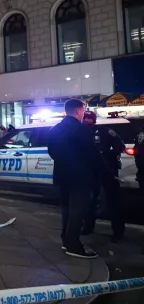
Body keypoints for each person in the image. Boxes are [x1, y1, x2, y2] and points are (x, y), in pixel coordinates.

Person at [47, 99, 102, 259]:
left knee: (66, 210)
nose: (83, 114)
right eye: (83, 111)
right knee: (78, 211)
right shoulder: (81, 129)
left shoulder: (54, 129)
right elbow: (91, 155)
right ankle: (73, 245)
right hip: (80, 177)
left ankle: (66, 240)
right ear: (78, 111)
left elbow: (52, 153)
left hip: (62, 176)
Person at [82, 110, 125, 242]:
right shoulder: (81, 133)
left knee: (113, 202)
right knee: (89, 201)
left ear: (94, 120)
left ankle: (118, 232)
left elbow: (120, 146)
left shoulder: (105, 132)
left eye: (89, 118)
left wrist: (108, 158)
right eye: (85, 118)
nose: (86, 120)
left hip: (107, 171)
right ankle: (88, 227)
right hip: (90, 172)